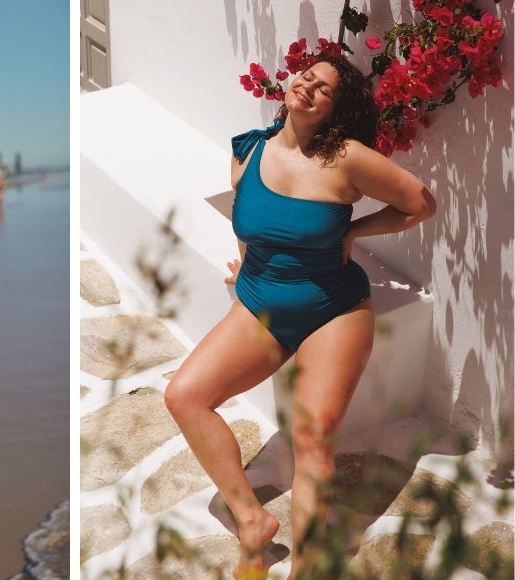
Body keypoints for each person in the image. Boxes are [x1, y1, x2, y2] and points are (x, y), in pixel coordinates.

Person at [163, 54, 436, 579]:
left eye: (325, 90)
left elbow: (421, 203)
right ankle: (252, 522)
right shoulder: (249, 150)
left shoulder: (348, 158)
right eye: (306, 77)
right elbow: (246, 216)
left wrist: (355, 233)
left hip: (332, 308)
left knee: (312, 439)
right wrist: (245, 260)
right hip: (261, 301)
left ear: (335, 111)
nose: (308, 88)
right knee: (185, 396)